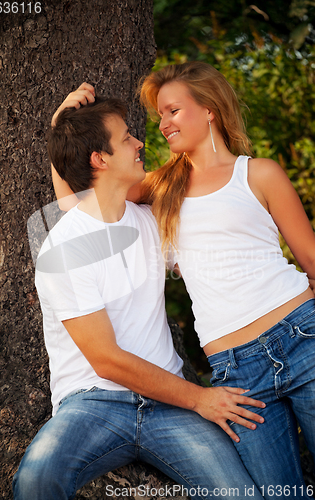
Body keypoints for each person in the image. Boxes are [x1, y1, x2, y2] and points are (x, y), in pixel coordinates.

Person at [51, 64, 315, 500]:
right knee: (276, 493)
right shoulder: (161, 187)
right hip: (237, 370)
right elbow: (82, 202)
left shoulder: (260, 173)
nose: (162, 124)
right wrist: (63, 125)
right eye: (159, 115)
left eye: (173, 110)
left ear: (209, 110)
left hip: (301, 335)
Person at [13, 95, 267, 500]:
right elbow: (107, 360)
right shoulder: (64, 249)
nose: (139, 144)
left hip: (168, 406)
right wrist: (201, 398)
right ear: (100, 159)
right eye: (128, 137)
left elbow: (216, 269)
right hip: (93, 404)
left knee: (240, 494)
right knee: (36, 481)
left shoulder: (150, 222)